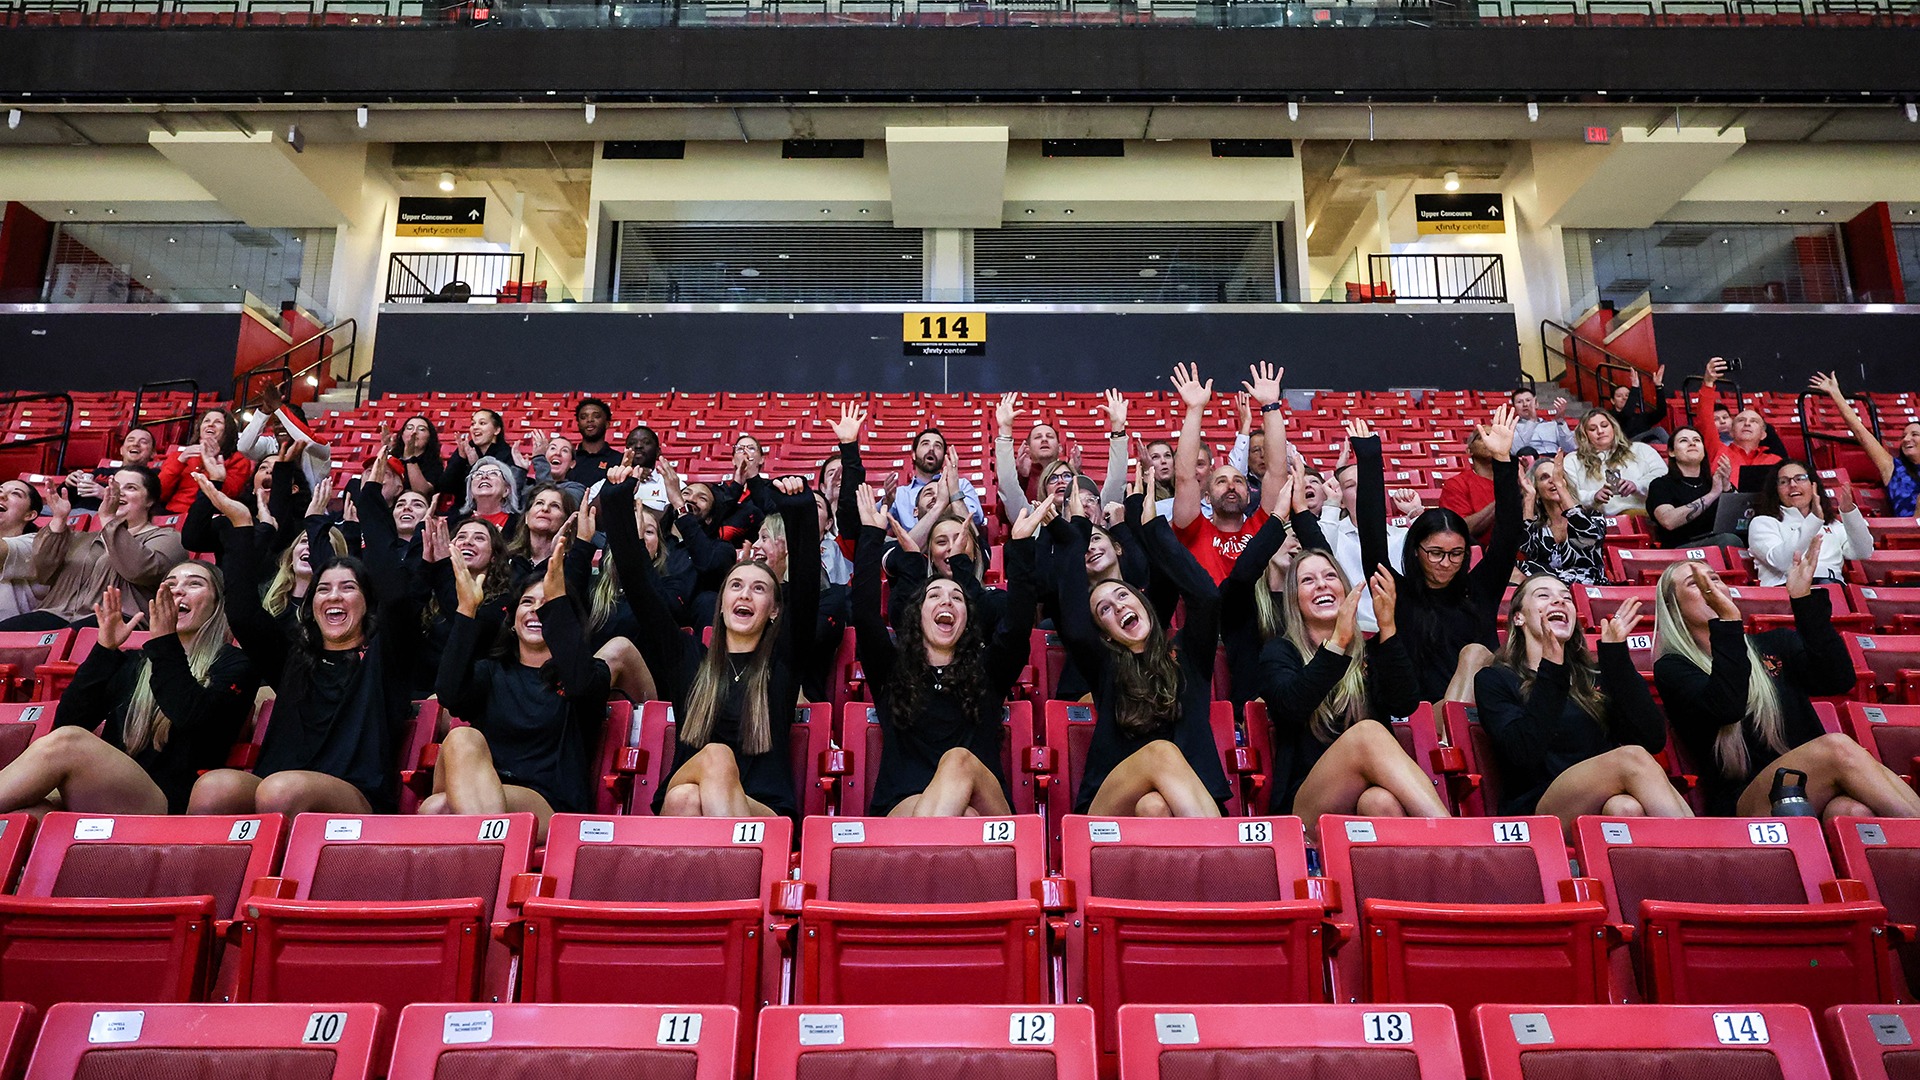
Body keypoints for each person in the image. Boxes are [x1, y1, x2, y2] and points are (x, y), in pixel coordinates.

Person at [189, 475, 420, 815]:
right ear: (312, 603)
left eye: (348, 588)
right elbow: (242, 614)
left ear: (368, 602)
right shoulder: (293, 658)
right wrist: (241, 527)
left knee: (282, 790)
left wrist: (370, 496)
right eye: (323, 589)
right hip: (275, 785)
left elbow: (396, 596)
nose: (334, 596)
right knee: (214, 787)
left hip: (357, 795)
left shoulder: (386, 658)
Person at [602, 470, 821, 819]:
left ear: (775, 610)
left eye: (759, 588)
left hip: (763, 812)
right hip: (708, 806)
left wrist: (800, 510)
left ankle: (728, 852)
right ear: (720, 604)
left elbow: (807, 589)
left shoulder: (782, 662)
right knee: (704, 772)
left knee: (687, 796)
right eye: (735, 585)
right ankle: (737, 857)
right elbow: (640, 585)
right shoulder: (688, 658)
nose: (745, 594)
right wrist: (615, 502)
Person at [1654, 542, 1920, 819]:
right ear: (1674, 607)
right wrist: (1729, 623)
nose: (1711, 588)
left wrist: (1803, 599)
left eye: (1715, 579)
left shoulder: (1775, 643)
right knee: (1837, 747)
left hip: (1812, 784)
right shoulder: (1673, 669)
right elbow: (1727, 707)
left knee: (1852, 811)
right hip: (1743, 800)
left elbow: (1838, 680)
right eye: (1695, 583)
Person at [429, 521, 643, 840]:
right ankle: (487, 853)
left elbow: (581, 684)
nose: (536, 612)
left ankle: (482, 857)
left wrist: (559, 605)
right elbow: (449, 694)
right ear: (512, 620)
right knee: (460, 741)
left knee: (440, 809)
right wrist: (466, 611)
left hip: (550, 805)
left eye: (547, 605)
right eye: (528, 603)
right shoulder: (492, 672)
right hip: (484, 789)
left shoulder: (585, 675)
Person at [852, 476, 1050, 816]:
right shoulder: (893, 671)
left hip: (985, 801)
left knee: (958, 761)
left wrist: (1020, 547)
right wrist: (870, 535)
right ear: (917, 615)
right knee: (963, 816)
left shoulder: (987, 671)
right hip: (907, 806)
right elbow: (865, 616)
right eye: (935, 595)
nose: (947, 601)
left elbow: (1017, 627)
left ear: (967, 618)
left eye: (957, 597)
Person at [0, 566, 257, 815]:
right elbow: (69, 719)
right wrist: (104, 649)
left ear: (217, 604)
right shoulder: (136, 662)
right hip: (111, 791)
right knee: (30, 813)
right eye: (170, 584)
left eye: (194, 583)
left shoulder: (235, 664)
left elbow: (190, 716)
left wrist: (164, 643)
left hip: (171, 800)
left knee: (68, 742)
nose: (178, 590)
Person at [1055, 487, 1232, 817]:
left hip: (1189, 801)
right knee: (1160, 752)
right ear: (1104, 633)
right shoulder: (1104, 666)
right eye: (1104, 610)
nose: (1118, 607)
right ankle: (1223, 845)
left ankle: (1208, 845)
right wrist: (1076, 527)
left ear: (1143, 603)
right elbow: (1075, 624)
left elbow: (1206, 597)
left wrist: (1153, 528)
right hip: (1111, 804)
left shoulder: (1188, 655)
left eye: (1123, 596)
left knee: (1154, 807)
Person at [1254, 537, 1445, 836]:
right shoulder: (1279, 652)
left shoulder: (1370, 651)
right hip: (1305, 806)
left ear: (1344, 589)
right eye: (1308, 580)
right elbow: (1291, 707)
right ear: (1294, 599)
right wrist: (1337, 644)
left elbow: (1404, 702)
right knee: (1366, 733)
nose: (1321, 584)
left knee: (1380, 802)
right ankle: (1453, 837)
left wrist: (1388, 627)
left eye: (1330, 576)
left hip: (1367, 792)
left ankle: (1425, 864)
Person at [1477, 575, 1688, 834]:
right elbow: (1523, 753)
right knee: (1631, 757)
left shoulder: (1592, 675)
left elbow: (1652, 738)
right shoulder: (1495, 679)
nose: (1559, 601)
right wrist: (1552, 667)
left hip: (1601, 797)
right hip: (1538, 805)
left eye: (1566, 597)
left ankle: (1688, 853)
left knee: (1625, 808)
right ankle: (1700, 849)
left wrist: (1616, 654)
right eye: (1543, 595)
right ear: (1518, 617)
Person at [1357, 410, 1523, 703]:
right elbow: (1372, 541)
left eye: (1456, 554)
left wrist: (1503, 461)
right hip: (1419, 715)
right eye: (1435, 553)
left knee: (1477, 656)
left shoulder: (1479, 591)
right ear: (1416, 550)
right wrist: (1369, 460)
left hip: (1482, 714)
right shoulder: (1396, 594)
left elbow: (1507, 537)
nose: (1446, 563)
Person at [2, 470, 184, 631]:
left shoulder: (168, 538)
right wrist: (58, 519)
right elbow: (44, 572)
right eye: (114, 486)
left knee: (77, 633)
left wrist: (109, 520)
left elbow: (140, 571)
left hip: (121, 619)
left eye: (130, 488)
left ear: (150, 500)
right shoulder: (82, 538)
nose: (118, 492)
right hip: (57, 614)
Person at [1171, 361, 1286, 583]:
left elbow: (1277, 473)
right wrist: (1194, 409)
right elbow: (1185, 477)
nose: (1231, 486)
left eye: (1239, 481)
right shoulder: (1193, 529)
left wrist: (1270, 406)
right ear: (1206, 497)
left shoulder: (1262, 527)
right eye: (1221, 481)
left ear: (1250, 495)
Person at [1811, 370, 1920, 519]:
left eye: (1914, 434)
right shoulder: (1892, 468)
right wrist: (1836, 394)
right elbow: (1860, 432)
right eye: (1903, 436)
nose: (1906, 439)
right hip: (1909, 529)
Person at [1745, 460, 1872, 586]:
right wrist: (1814, 520)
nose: (1793, 484)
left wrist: (1849, 513)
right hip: (1787, 589)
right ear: (1776, 491)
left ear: (1813, 485)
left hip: (1833, 587)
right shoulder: (1763, 523)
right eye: (1783, 481)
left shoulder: (1832, 525)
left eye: (1800, 478)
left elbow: (1863, 552)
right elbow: (1783, 562)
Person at [1518, 455, 1609, 585]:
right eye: (1544, 477)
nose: (1553, 480)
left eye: (1557, 475)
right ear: (1537, 489)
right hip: (1549, 591)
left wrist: (1561, 487)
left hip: (1590, 589)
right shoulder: (1538, 526)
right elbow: (1526, 548)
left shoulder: (1593, 515)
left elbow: (1587, 537)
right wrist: (1529, 497)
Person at [1560, 410, 1667, 516]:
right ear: (1584, 434)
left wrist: (1638, 486)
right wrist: (1593, 497)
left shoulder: (1641, 449)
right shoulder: (1573, 460)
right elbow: (1568, 493)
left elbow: (1663, 476)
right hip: (1598, 519)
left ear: (1614, 427)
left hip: (1646, 514)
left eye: (1604, 426)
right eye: (1592, 429)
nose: (1600, 431)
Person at [1695, 357, 1783, 488]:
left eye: (1754, 421)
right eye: (1741, 420)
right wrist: (1708, 383)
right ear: (1731, 432)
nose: (1747, 424)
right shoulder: (1717, 450)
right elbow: (1705, 421)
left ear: (1763, 434)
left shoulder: (1776, 462)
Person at [1645, 427, 1737, 549]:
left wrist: (1726, 487)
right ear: (1671, 452)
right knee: (1729, 540)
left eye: (1697, 440)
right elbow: (1668, 521)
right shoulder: (1660, 484)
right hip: (1680, 549)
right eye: (1684, 440)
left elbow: (1741, 521)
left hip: (1718, 541)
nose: (1692, 443)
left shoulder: (1715, 482)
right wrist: (1712, 494)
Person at [156, 408, 254, 516]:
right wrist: (179, 462)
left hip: (211, 516)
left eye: (218, 422)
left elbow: (229, 495)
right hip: (173, 513)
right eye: (207, 421)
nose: (210, 424)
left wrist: (211, 464)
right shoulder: (180, 456)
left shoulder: (239, 460)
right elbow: (159, 493)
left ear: (227, 431)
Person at [890, 427, 984, 530]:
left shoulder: (961, 485)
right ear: (914, 455)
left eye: (938, 446)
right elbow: (878, 525)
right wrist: (886, 502)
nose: (931, 449)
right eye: (925, 444)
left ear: (944, 457)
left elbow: (976, 520)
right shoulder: (899, 494)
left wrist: (954, 493)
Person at [1439, 426, 1507, 546]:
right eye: (1481, 437)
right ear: (1469, 450)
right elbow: (1459, 529)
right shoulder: (1456, 484)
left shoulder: (1515, 478)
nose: (1489, 441)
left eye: (1494, 437)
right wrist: (1505, 496)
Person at [65, 427, 158, 513]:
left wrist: (107, 495)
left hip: (105, 518)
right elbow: (66, 500)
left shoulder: (154, 477)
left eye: (143, 442)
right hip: (73, 514)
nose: (135, 444)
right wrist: (69, 485)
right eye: (130, 440)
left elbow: (152, 507)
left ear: (153, 453)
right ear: (121, 450)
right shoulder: (101, 472)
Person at [0, 480, 44, 624]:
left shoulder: (36, 543)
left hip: (10, 632)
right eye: (0, 490)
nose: (2, 496)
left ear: (29, 515)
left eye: (15, 494)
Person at [567, 397, 622, 487]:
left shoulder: (619, 459)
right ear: (578, 425)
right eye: (583, 417)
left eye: (596, 416)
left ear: (607, 424)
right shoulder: (568, 458)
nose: (589, 420)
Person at [1611, 365, 1670, 444]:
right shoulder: (1611, 417)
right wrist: (1635, 387)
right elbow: (1626, 414)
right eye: (1619, 396)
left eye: (1627, 395)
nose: (1624, 398)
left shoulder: (1641, 417)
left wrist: (1658, 386)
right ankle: (1675, 450)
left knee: (1656, 442)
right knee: (1658, 430)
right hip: (1627, 445)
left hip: (1643, 447)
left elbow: (1661, 412)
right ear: (1612, 401)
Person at [1511, 389, 1576, 457]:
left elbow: (1570, 448)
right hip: (1532, 460)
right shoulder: (1512, 427)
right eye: (1519, 402)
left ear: (1536, 404)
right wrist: (1532, 420)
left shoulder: (1553, 425)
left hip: (1556, 459)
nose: (1525, 404)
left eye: (1528, 400)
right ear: (1514, 408)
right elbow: (1516, 450)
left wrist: (1560, 420)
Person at [393, 415, 444, 496]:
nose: (414, 432)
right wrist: (384, 451)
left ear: (429, 437)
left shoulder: (435, 463)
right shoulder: (393, 457)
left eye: (421, 429)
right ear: (402, 434)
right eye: (409, 428)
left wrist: (410, 458)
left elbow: (421, 492)